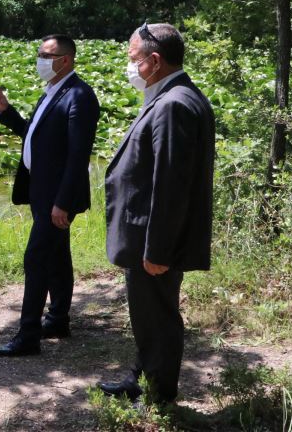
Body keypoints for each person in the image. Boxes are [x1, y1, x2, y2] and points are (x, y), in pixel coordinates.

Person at [97, 23, 215, 404]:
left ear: (155, 60)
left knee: (159, 318)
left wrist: (158, 250)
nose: (130, 66)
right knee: (149, 316)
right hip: (150, 235)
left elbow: (171, 184)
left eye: (133, 59)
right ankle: (141, 377)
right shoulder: (173, 96)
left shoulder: (173, 104)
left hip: (154, 239)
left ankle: (158, 398)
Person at [0, 34, 100, 357]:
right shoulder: (53, 92)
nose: (40, 59)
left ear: (65, 60)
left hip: (57, 195)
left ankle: (28, 336)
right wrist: (6, 111)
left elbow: (78, 156)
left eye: (45, 55)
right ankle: (59, 319)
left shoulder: (80, 96)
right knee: (56, 254)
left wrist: (63, 203)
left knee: (36, 257)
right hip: (40, 189)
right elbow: (33, 134)